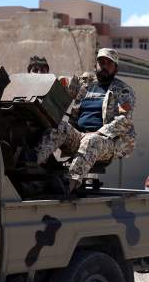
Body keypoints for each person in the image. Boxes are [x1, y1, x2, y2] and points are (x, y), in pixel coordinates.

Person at [34, 47, 136, 187]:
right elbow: (63, 85)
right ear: (96, 65)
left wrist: (99, 132)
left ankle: (69, 183)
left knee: (91, 140)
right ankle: (34, 165)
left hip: (109, 142)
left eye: (109, 63)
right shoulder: (85, 83)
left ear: (116, 69)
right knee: (60, 127)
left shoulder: (123, 90)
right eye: (101, 62)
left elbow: (124, 120)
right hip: (80, 135)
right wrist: (42, 76)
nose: (104, 66)